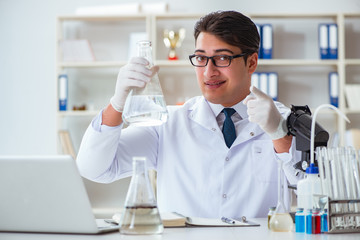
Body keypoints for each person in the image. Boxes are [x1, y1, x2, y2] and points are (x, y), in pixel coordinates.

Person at [77, 10, 302, 219]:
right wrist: (117, 104)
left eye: (222, 58)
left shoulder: (287, 121)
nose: (208, 71)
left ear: (251, 62)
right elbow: (94, 169)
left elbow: (314, 196)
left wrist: (279, 135)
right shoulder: (168, 123)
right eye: (201, 58)